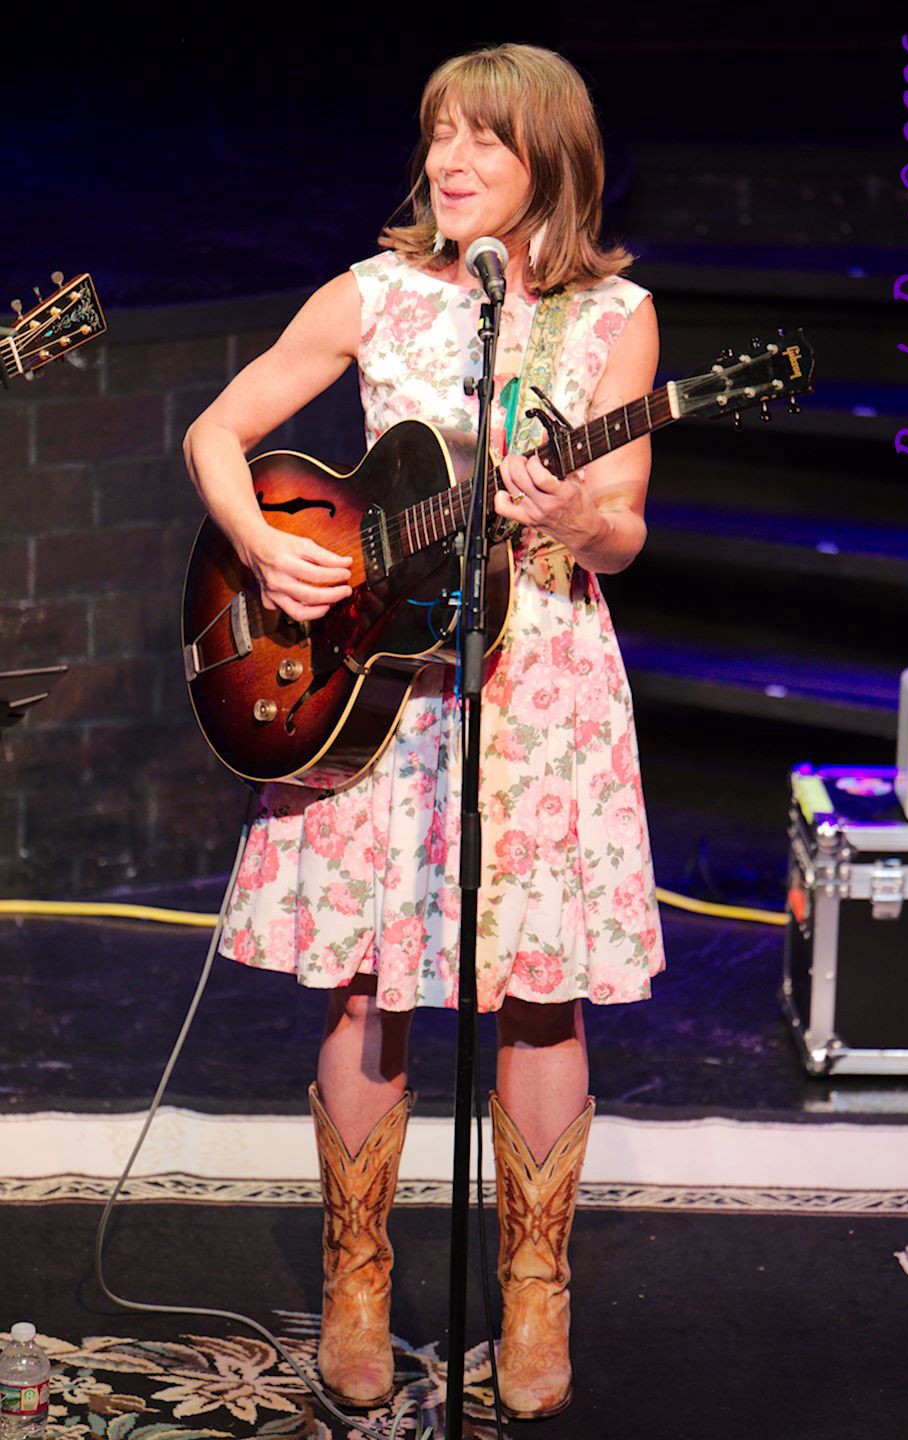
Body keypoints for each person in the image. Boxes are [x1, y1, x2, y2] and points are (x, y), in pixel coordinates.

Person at [183, 41, 665, 1421]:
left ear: (548, 165)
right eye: (440, 136)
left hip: (547, 692)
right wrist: (264, 549)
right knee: (364, 981)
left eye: (485, 143)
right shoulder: (375, 296)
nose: (451, 162)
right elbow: (221, 431)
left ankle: (534, 1287)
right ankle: (357, 1276)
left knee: (541, 988)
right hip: (380, 687)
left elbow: (622, 527)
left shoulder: (614, 319)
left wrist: (569, 511)